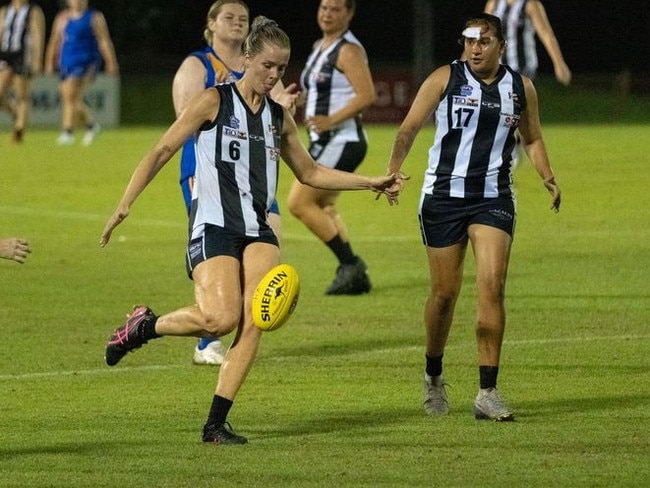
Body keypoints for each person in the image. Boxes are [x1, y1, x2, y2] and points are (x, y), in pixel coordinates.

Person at [99, 16, 398, 445]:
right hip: (214, 224)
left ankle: (215, 423)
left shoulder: (278, 117)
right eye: (267, 66)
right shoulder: (212, 101)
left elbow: (310, 171)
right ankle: (143, 327)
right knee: (219, 319)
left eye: (282, 68)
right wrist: (125, 204)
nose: (275, 75)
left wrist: (370, 180)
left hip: (258, 228)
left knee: (257, 315)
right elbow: (163, 148)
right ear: (247, 59)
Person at [383, 14, 561, 421]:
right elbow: (409, 128)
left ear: (501, 45)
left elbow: (530, 136)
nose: (475, 48)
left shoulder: (520, 87)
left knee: (492, 285)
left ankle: (487, 391)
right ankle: (433, 375)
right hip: (443, 196)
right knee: (445, 295)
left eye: (483, 41)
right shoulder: (445, 78)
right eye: (469, 41)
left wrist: (547, 176)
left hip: (493, 197)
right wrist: (392, 171)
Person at [172, 0, 299, 366]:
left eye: (243, 18)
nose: (237, 23)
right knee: (220, 253)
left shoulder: (262, 63)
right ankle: (207, 338)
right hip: (209, 174)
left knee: (267, 249)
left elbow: (271, 112)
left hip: (257, 175)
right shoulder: (199, 64)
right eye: (229, 17)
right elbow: (185, 119)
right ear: (211, 24)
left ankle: (238, 338)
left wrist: (285, 100)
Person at [287, 0, 376, 295]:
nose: (327, 13)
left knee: (299, 202)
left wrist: (330, 120)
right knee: (324, 205)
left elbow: (367, 95)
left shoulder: (348, 50)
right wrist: (299, 101)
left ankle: (350, 264)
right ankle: (355, 278)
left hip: (343, 140)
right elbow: (322, 91)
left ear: (349, 13)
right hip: (325, 140)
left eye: (335, 9)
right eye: (324, 7)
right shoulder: (320, 46)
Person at [44, 0, 118, 146]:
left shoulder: (94, 17)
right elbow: (55, 41)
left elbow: (104, 41)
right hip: (66, 63)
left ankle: (68, 132)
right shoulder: (62, 18)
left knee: (71, 95)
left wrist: (111, 62)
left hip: (86, 62)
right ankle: (91, 125)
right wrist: (49, 62)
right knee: (70, 98)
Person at [484, 0, 571, 86]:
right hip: (497, 66)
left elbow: (546, 35)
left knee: (513, 97)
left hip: (522, 66)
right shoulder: (494, 4)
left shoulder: (530, 5)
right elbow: (484, 34)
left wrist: (559, 63)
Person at [0, 0, 45, 143]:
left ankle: (19, 131)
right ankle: (15, 114)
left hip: (23, 55)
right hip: (6, 54)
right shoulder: (5, 11)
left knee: (22, 95)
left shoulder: (33, 11)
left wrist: (37, 60)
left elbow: (38, 35)